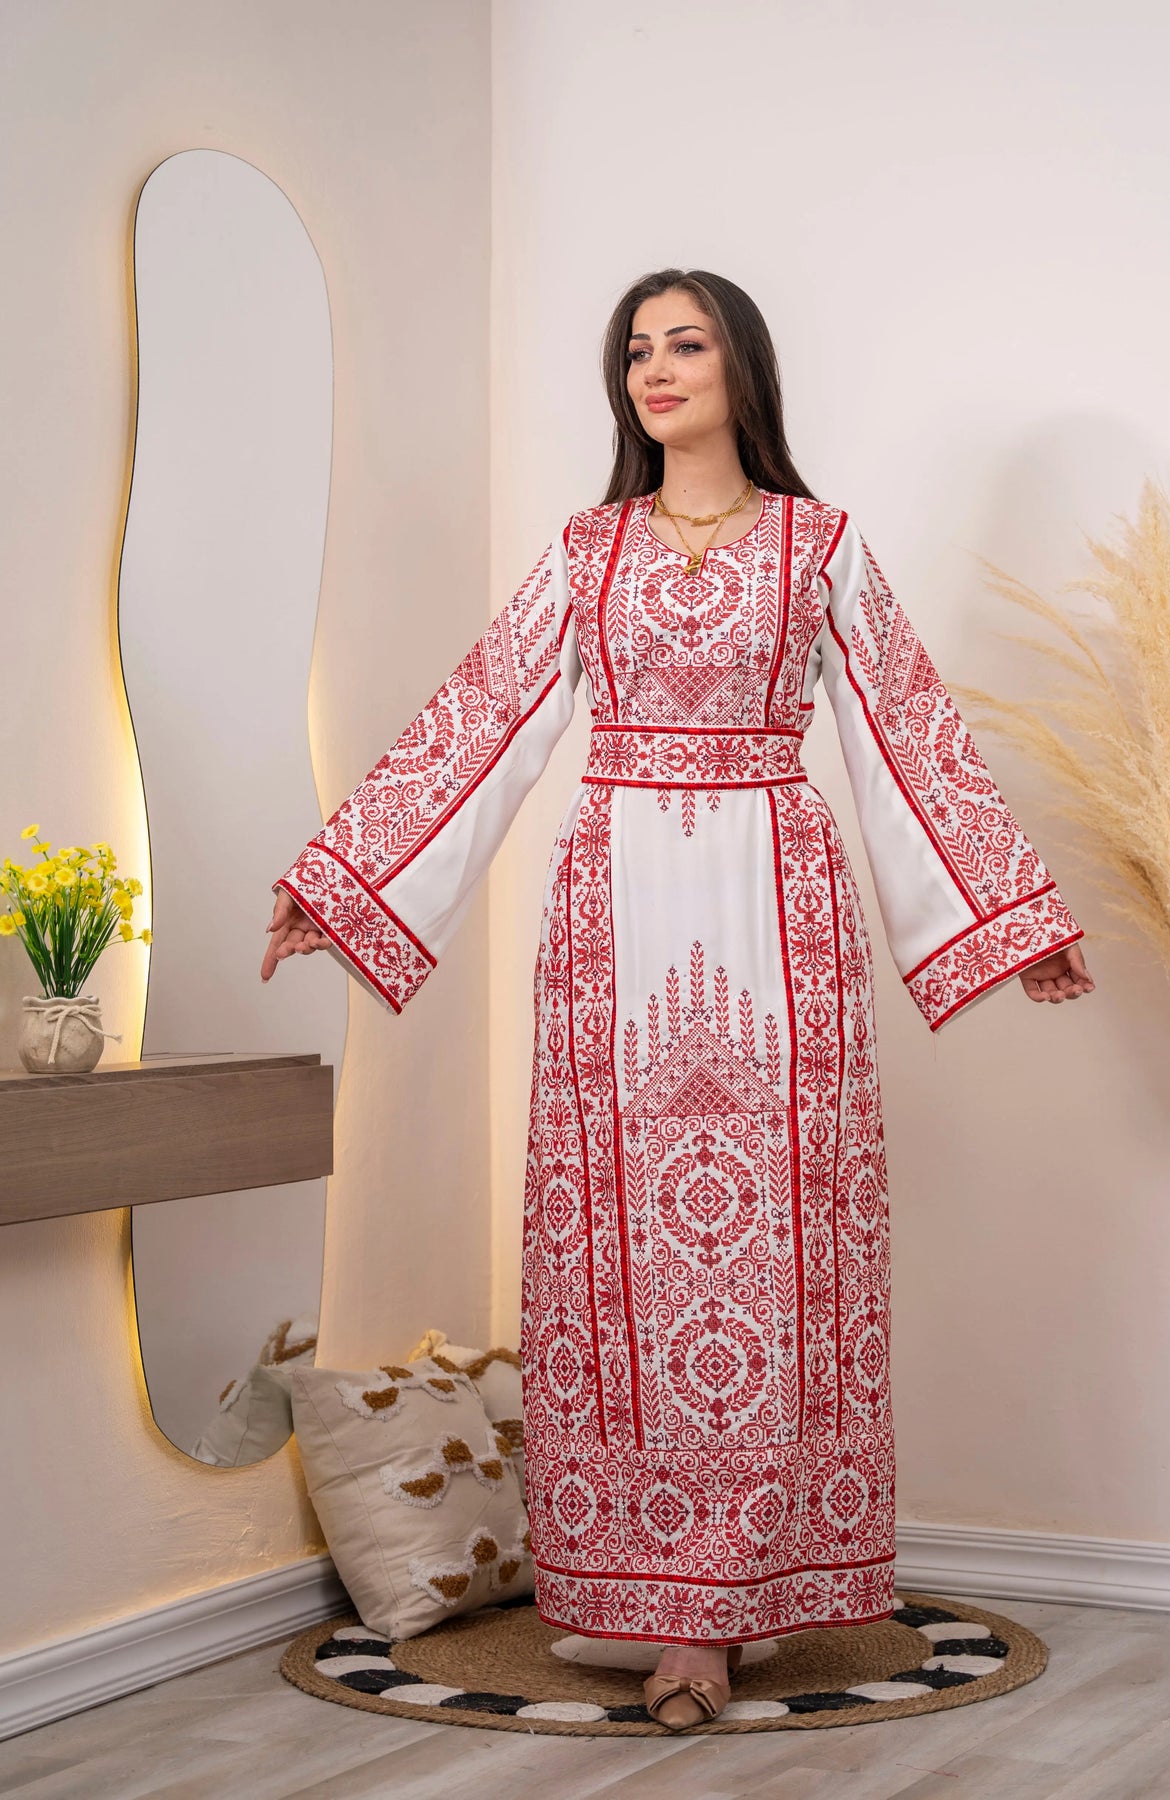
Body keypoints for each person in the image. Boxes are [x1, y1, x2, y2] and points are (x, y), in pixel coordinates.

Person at [262, 267, 1094, 1731]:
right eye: (637, 349)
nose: (656, 369)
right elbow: (484, 721)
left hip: (782, 923)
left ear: (741, 366)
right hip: (616, 926)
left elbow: (907, 735)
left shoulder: (820, 546)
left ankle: (732, 1608)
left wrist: (1011, 918)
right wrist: (343, 878)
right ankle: (656, 1611)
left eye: (686, 343)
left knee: (779, 1254)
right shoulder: (588, 553)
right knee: (617, 1252)